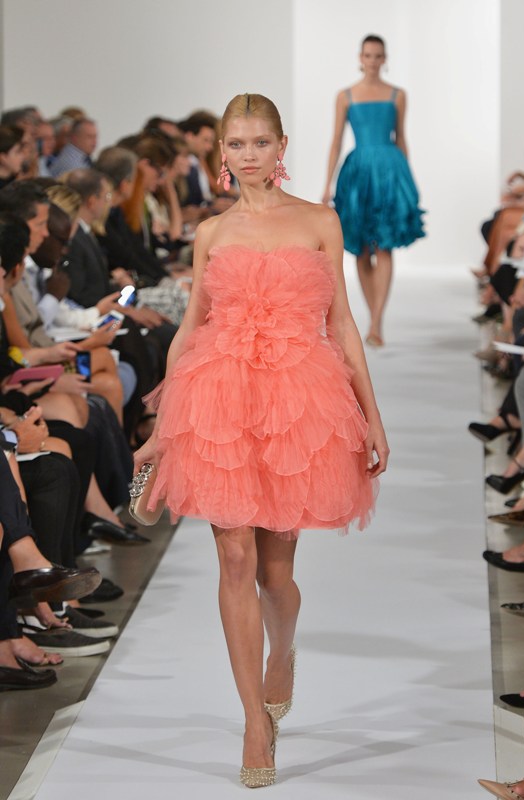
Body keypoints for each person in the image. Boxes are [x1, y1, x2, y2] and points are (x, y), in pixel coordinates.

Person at [134, 93, 389, 787]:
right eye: (236, 144)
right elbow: (190, 326)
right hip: (218, 398)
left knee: (277, 575)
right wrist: (162, 425)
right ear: (222, 152)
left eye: (259, 142)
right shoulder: (212, 232)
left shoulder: (319, 221)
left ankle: (283, 650)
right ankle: (253, 719)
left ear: (281, 147)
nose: (248, 155)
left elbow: (340, 324)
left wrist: (371, 415)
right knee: (235, 556)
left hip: (297, 401)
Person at [323, 34, 425, 347]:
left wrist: (407, 179)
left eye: (378, 55)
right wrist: (327, 184)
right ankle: (373, 315)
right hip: (358, 174)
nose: (372, 61)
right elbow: (336, 140)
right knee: (361, 249)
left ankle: (377, 320)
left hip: (389, 171)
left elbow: (401, 137)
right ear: (360, 57)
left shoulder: (398, 95)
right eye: (368, 55)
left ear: (384, 59)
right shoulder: (345, 96)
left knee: (384, 246)